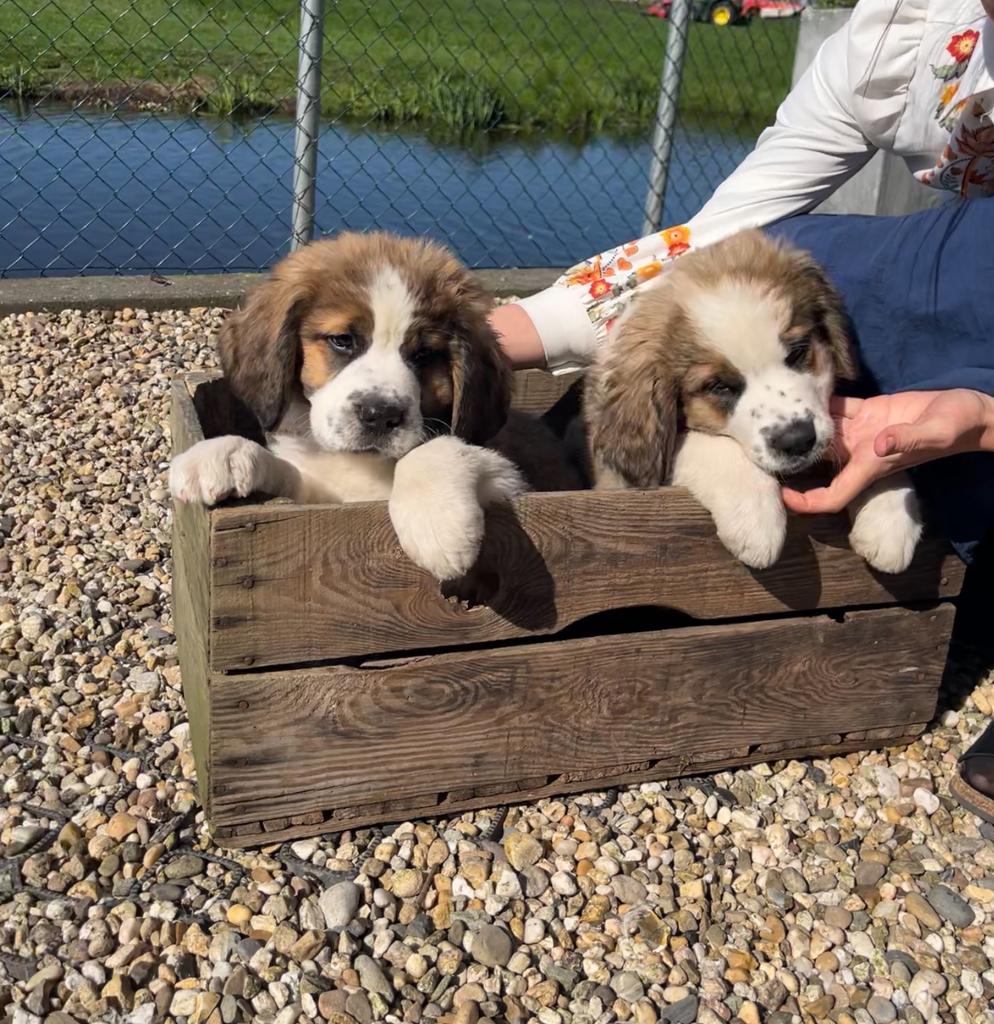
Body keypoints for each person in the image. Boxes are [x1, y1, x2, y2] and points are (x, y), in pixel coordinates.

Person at [490, 0, 994, 824]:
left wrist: (980, 419)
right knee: (811, 247)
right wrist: (496, 336)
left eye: (800, 352)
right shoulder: (907, 34)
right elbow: (725, 235)